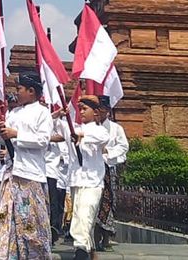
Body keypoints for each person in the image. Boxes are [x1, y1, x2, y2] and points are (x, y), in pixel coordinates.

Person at [0, 73, 54, 260]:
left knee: (31, 223)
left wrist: (16, 134)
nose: (17, 93)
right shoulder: (13, 113)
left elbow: (42, 140)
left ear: (31, 91)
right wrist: (2, 131)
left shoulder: (42, 112)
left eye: (19, 89)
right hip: (11, 173)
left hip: (31, 174)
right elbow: (2, 138)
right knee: (5, 219)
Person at [67, 95, 111, 260]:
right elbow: (60, 135)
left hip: (93, 182)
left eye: (85, 109)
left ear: (96, 112)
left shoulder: (99, 130)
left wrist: (82, 136)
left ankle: (80, 250)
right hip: (76, 180)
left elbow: (102, 139)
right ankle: (89, 249)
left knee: (85, 214)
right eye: (80, 109)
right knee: (80, 217)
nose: (82, 112)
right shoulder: (76, 129)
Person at [95, 97, 129, 252]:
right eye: (97, 110)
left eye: (102, 110)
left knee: (108, 203)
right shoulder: (90, 127)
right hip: (93, 171)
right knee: (94, 204)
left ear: (107, 111)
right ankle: (94, 239)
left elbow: (123, 146)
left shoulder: (116, 128)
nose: (99, 113)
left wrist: (108, 151)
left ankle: (106, 238)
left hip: (109, 169)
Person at [46, 106, 68, 245]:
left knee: (56, 204)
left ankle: (54, 230)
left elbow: (63, 137)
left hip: (55, 171)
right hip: (42, 170)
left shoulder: (62, 124)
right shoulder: (45, 120)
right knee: (46, 202)